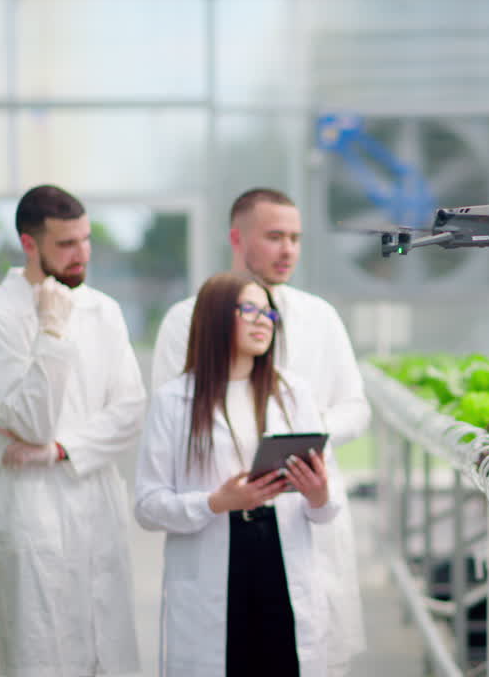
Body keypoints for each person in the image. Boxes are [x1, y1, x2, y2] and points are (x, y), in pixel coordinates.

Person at [150, 188, 369, 674]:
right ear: (237, 238)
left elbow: (355, 408)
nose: (288, 249)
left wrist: (296, 438)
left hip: (295, 518)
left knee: (301, 650)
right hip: (214, 530)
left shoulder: (319, 317)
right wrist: (218, 494)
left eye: (295, 237)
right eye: (274, 236)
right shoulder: (185, 320)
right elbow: (175, 424)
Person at [0, 184, 144, 677]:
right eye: (66, 244)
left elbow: (130, 410)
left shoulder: (104, 311)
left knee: (107, 650)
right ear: (29, 244)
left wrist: (62, 449)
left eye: (85, 240)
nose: (81, 254)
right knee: (39, 653)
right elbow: (31, 421)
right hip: (32, 511)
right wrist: (51, 333)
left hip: (95, 504)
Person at [135, 271, 341, 677]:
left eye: (268, 313)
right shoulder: (175, 401)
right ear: (213, 317)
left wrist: (318, 494)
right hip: (214, 565)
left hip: (279, 564)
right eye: (249, 309)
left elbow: (328, 505)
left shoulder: (293, 393)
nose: (262, 320)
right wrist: (217, 502)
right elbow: (147, 506)